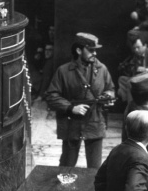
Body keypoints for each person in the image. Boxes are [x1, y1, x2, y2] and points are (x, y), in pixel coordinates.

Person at [45, 32, 115, 168]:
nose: (95, 54)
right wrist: (71, 108)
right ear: (78, 50)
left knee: (95, 167)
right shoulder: (63, 71)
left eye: (95, 50)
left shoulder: (102, 69)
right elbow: (51, 96)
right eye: (91, 50)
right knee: (67, 164)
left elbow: (110, 88)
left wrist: (107, 95)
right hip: (72, 123)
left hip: (95, 121)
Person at [94, 110, 148, 191]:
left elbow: (100, 180)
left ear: (126, 129)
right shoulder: (140, 157)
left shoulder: (117, 149)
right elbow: (133, 188)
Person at [117, 36, 148, 104]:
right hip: (140, 79)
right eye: (134, 48)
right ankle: (130, 103)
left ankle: (134, 103)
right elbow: (133, 67)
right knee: (123, 79)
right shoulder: (136, 55)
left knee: (130, 83)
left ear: (145, 46)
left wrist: (147, 69)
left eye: (138, 47)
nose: (136, 50)